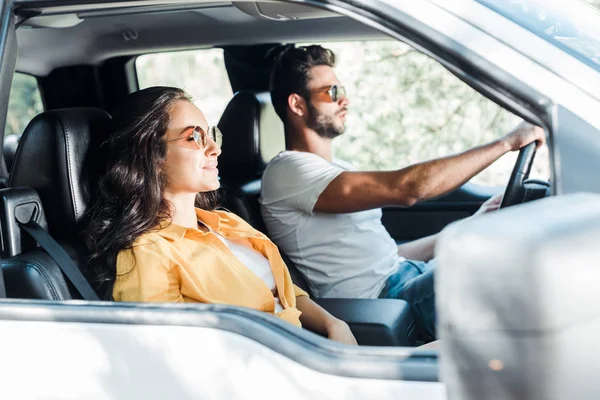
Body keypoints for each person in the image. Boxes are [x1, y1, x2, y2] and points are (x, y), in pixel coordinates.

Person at [260, 45, 546, 338]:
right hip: (387, 303)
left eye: (342, 90)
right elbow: (408, 189)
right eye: (332, 92)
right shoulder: (288, 172)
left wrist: (470, 225)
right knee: (520, 267)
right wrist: (507, 142)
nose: (344, 100)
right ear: (297, 104)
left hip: (406, 278)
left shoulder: (334, 168)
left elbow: (388, 257)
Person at [84, 86, 357, 345]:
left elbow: (286, 293)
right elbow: (164, 358)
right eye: (195, 137)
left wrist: (334, 325)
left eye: (211, 135)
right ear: (150, 156)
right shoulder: (148, 254)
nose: (215, 149)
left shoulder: (226, 222)